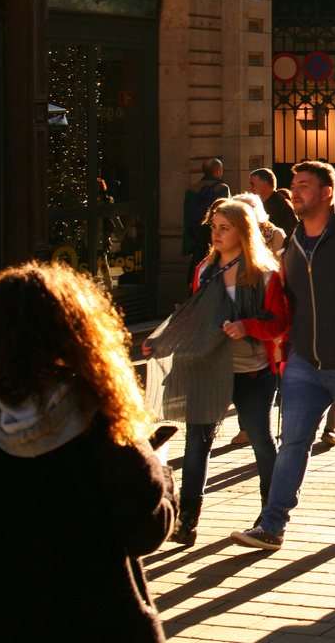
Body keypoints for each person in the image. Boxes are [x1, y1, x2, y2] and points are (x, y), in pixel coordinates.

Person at [0, 262, 175, 641]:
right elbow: (146, 529)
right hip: (94, 618)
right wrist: (160, 469)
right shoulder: (101, 417)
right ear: (78, 332)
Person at [230, 161, 335, 551]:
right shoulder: (293, 240)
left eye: (304, 185)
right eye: (293, 185)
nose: (295, 191)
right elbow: (288, 298)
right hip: (305, 363)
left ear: (327, 192)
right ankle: (272, 524)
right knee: (293, 441)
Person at [144, 199, 289, 545]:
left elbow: (281, 323)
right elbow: (194, 317)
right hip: (207, 368)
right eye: (214, 227)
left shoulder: (266, 275)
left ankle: (269, 516)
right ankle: (187, 521)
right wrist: (162, 339)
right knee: (197, 444)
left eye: (225, 228)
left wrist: (247, 326)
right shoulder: (203, 271)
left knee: (260, 439)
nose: (217, 234)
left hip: (252, 371)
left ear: (243, 231)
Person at [184, 158, 231, 274]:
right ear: (218, 171)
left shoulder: (192, 189)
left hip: (194, 234)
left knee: (197, 263)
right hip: (212, 236)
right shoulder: (222, 188)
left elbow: (187, 216)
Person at [249, 167, 298, 235]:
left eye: (253, 184)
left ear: (265, 184)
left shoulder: (282, 206)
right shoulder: (256, 204)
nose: (250, 188)